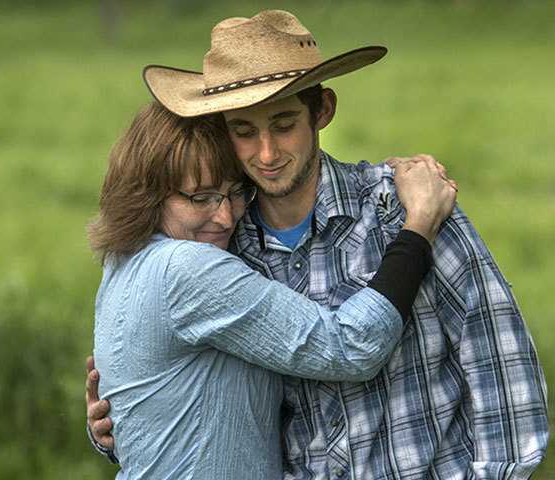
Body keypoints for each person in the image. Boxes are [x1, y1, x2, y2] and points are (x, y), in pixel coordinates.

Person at [87, 9, 549, 479]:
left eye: (284, 124)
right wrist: (120, 421)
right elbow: (200, 400)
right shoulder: (223, 247)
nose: (266, 154)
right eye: (244, 131)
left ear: (322, 110)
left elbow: (501, 365)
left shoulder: (404, 208)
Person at [89, 99, 454, 479]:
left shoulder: (123, 263)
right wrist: (419, 225)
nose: (226, 216)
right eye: (201, 198)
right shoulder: (187, 268)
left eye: (235, 193)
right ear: (148, 193)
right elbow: (349, 346)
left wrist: (109, 426)